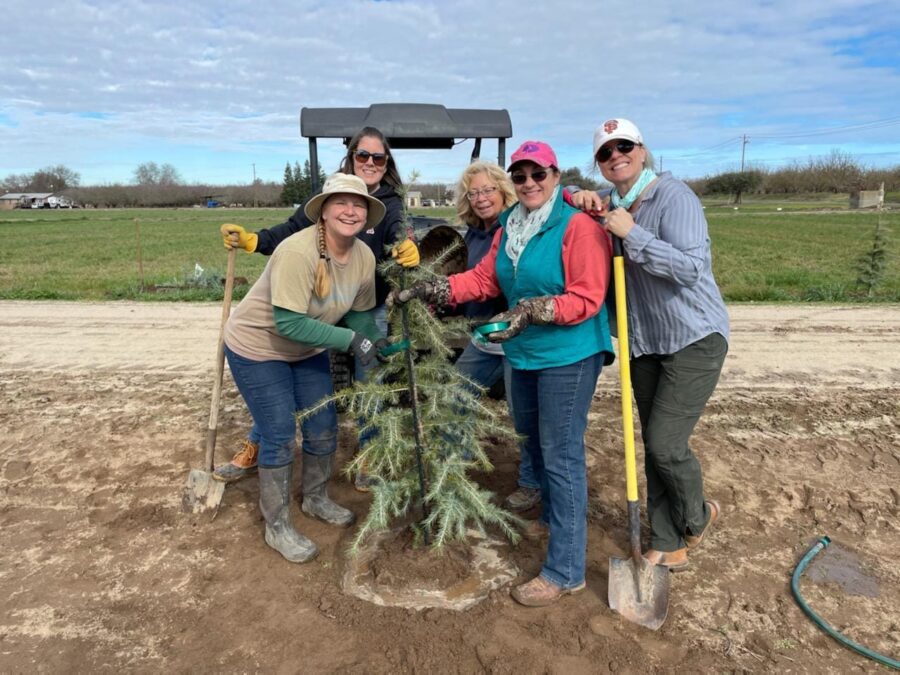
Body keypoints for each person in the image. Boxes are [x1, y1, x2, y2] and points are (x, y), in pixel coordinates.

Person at [391, 141, 614, 606]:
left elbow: (588, 297)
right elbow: (485, 280)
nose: (529, 183)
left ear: (555, 176)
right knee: (530, 439)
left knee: (561, 454)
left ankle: (565, 570)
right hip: (523, 353)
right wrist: (435, 288)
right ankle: (554, 518)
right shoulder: (512, 226)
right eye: (521, 175)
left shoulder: (577, 227)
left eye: (538, 174)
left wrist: (533, 308)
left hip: (567, 356)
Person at [214, 127, 419, 486]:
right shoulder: (328, 199)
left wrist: (407, 248)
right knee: (278, 395)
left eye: (379, 157)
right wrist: (254, 240)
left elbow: (400, 232)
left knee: (370, 379)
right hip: (310, 309)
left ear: (387, 164)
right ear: (352, 157)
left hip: (365, 301)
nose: (370, 163)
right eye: (363, 156)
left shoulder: (391, 203)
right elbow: (290, 229)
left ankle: (368, 458)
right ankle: (258, 444)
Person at [569, 118, 729, 570]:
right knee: (651, 445)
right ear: (599, 164)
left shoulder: (673, 196)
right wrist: (580, 197)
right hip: (644, 343)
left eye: (624, 147)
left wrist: (631, 234)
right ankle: (667, 541)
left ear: (641, 151)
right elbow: (569, 200)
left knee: (664, 443)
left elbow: (690, 268)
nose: (616, 156)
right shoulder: (607, 203)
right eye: (605, 152)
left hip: (694, 337)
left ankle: (698, 517)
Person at [223, 173, 389, 563]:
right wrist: (352, 342)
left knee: (323, 423)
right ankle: (276, 524)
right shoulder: (297, 252)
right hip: (259, 347)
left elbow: (361, 315)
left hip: (307, 349)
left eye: (358, 204)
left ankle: (315, 498)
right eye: (340, 203)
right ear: (324, 211)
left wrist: (373, 342)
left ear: (367, 213)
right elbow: (290, 324)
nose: (350, 211)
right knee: (279, 431)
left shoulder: (364, 256)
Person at [451, 161, 541, 513]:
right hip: (483, 336)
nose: (481, 198)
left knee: (523, 415)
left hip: (516, 336)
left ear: (504, 191)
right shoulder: (473, 234)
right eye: (473, 193)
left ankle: (532, 483)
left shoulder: (517, 228)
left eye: (488, 190)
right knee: (455, 393)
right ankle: (453, 467)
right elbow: (470, 282)